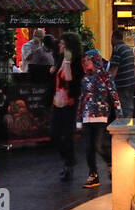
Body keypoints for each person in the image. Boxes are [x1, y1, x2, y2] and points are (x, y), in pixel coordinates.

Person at [79, 47, 119, 189]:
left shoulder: (105, 77)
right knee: (88, 147)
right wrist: (79, 118)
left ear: (95, 60)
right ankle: (93, 174)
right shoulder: (85, 79)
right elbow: (82, 98)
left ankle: (111, 164)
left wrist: (119, 114)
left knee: (99, 145)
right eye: (84, 61)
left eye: (88, 60)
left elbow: (114, 95)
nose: (85, 63)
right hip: (86, 116)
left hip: (101, 116)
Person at [51, 32, 85, 183]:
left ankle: (68, 164)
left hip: (69, 103)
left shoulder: (75, 61)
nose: (60, 46)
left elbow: (73, 79)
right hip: (58, 102)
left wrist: (67, 62)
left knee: (66, 134)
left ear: (69, 46)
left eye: (62, 44)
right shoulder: (59, 59)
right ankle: (68, 160)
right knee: (55, 134)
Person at [109, 29, 135, 119]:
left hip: (121, 84)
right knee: (129, 108)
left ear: (113, 38)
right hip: (130, 82)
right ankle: (129, 127)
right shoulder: (128, 48)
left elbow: (114, 70)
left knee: (122, 109)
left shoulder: (117, 49)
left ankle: (125, 129)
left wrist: (108, 83)